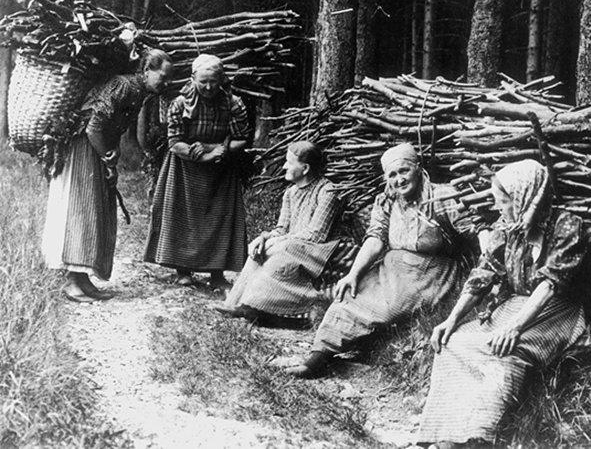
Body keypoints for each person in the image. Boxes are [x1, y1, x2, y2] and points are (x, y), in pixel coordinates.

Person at [417, 159, 591, 447]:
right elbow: (482, 275)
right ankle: (447, 433)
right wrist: (452, 319)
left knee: (502, 350)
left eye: (503, 201)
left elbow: (550, 284)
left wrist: (514, 327)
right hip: (517, 304)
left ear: (523, 198)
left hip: (556, 309)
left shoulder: (567, 226)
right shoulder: (508, 228)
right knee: (454, 342)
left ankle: (479, 435)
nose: (498, 208)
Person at [286, 143, 479, 378]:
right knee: (349, 295)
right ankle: (318, 357)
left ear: (418, 168)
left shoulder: (441, 196)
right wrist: (353, 274)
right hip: (392, 267)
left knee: (387, 307)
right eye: (392, 175)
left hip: (429, 271)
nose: (399, 180)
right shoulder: (387, 200)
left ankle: (358, 345)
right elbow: (375, 239)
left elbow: (475, 232)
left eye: (404, 171)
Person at [42, 48, 174, 302]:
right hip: (83, 145)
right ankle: (71, 282)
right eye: (163, 76)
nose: (166, 83)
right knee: (82, 208)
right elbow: (93, 127)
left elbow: (112, 126)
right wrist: (107, 156)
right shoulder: (123, 85)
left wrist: (112, 153)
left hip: (95, 146)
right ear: (147, 70)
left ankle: (83, 279)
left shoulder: (139, 92)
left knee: (96, 209)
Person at [144, 54, 251, 289]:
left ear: (222, 80)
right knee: (182, 219)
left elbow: (242, 138)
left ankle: (217, 274)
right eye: (203, 82)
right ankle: (183, 270)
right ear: (193, 79)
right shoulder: (180, 103)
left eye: (214, 81)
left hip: (221, 170)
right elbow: (175, 143)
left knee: (219, 221)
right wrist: (205, 155)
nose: (209, 87)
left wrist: (216, 150)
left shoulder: (233, 103)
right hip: (185, 167)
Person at [219, 141, 344, 327]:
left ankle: (260, 307)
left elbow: (317, 234)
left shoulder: (327, 191)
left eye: (289, 162)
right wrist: (264, 238)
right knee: (258, 250)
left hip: (318, 250)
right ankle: (238, 302)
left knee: (279, 252)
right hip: (291, 245)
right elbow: (281, 229)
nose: (284, 166)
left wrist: (277, 242)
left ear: (305, 168)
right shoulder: (290, 193)